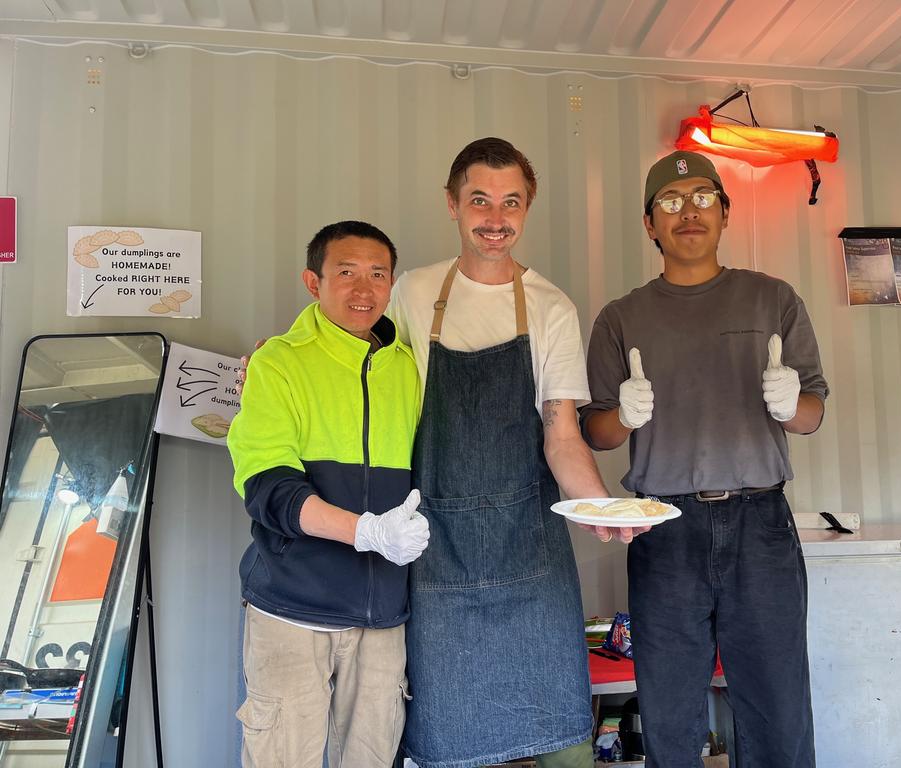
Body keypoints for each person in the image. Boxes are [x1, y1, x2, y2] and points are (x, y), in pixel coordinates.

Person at [388, 137, 636, 768]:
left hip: (528, 543)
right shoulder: (411, 294)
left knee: (560, 731)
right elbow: (343, 365)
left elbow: (561, 435)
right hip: (437, 547)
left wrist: (602, 507)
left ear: (527, 209)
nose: (494, 218)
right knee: (448, 735)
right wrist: (273, 359)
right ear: (451, 204)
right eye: (479, 200)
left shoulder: (551, 307)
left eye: (511, 202)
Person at [580, 151, 829, 768]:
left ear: (724, 212)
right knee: (669, 708)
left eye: (701, 198)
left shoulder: (773, 299)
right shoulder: (621, 317)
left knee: (777, 704)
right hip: (664, 530)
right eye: (669, 201)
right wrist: (624, 415)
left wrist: (790, 403)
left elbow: (813, 413)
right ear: (648, 223)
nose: (687, 212)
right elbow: (598, 433)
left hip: (760, 526)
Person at [227, 220, 429, 768]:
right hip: (293, 607)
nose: (363, 290)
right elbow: (268, 487)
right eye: (346, 273)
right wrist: (365, 531)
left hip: (382, 615)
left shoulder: (410, 369)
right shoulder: (279, 363)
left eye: (377, 275)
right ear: (313, 282)